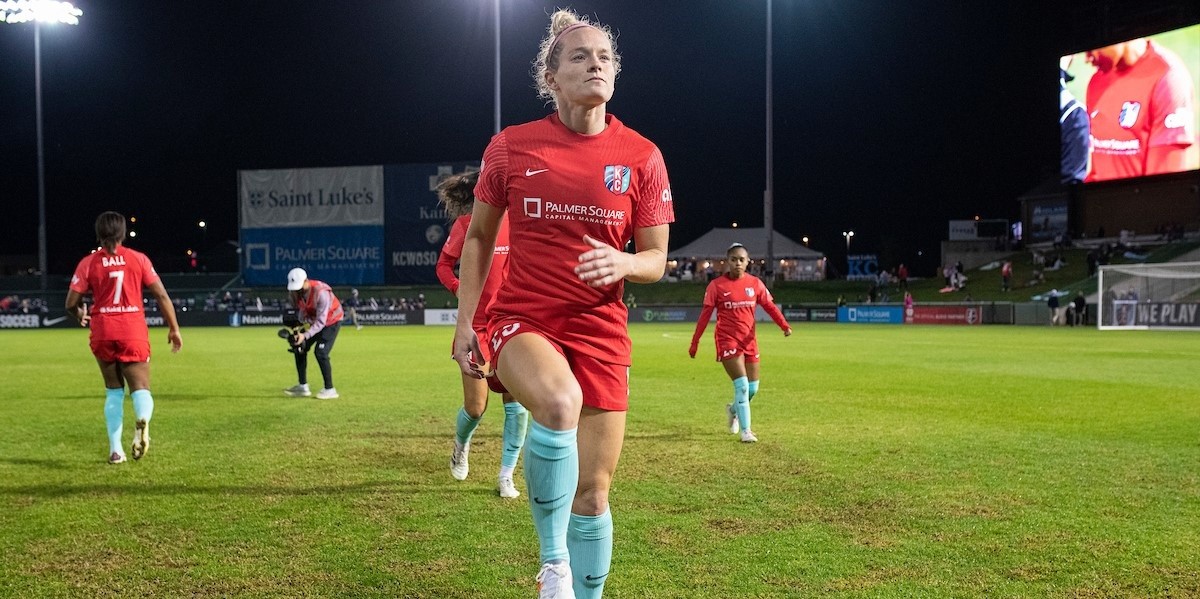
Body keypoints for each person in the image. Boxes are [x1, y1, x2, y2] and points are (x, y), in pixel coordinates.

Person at [450, 9, 674, 598]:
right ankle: (554, 566)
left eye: (605, 56)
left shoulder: (643, 156)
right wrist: (467, 324)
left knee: (594, 495)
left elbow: (655, 259)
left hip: (602, 330)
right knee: (557, 402)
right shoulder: (511, 147)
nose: (595, 64)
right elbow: (478, 237)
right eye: (580, 56)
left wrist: (624, 262)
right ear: (550, 78)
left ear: (615, 74)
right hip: (523, 320)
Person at [435, 170, 528, 499]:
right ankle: (461, 446)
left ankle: (506, 476)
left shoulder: (520, 224)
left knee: (516, 406)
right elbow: (443, 266)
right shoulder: (466, 225)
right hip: (475, 327)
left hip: (512, 324)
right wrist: (459, 288)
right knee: (476, 408)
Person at [65, 211, 182, 464]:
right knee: (140, 389)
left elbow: (71, 303)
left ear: (98, 233)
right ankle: (142, 419)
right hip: (132, 330)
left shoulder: (88, 263)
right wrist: (174, 328)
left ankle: (115, 451)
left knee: (113, 391)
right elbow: (161, 295)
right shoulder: (138, 259)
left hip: (103, 330)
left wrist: (80, 314)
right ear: (123, 233)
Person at [688, 243, 792, 443]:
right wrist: (695, 342)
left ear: (748, 262)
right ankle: (747, 431)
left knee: (753, 389)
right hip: (727, 341)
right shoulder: (716, 286)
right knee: (742, 386)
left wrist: (784, 325)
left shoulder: (755, 284)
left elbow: (769, 306)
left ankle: (733, 410)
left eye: (741, 260)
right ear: (727, 261)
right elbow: (705, 315)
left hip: (749, 341)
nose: (737, 263)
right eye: (733, 259)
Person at [1085, 37, 1199, 182]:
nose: (1087, 59)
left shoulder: (1168, 78)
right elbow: (1098, 172)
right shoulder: (1096, 81)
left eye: (1091, 49)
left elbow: (1165, 184)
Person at [283, 268, 343, 400]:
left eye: (299, 288)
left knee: (321, 352)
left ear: (306, 281)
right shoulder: (294, 293)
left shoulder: (321, 293)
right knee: (299, 347)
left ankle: (330, 389)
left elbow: (321, 322)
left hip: (331, 321)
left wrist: (305, 335)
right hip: (313, 321)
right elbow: (299, 313)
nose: (297, 291)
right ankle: (302, 387)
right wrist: (297, 332)